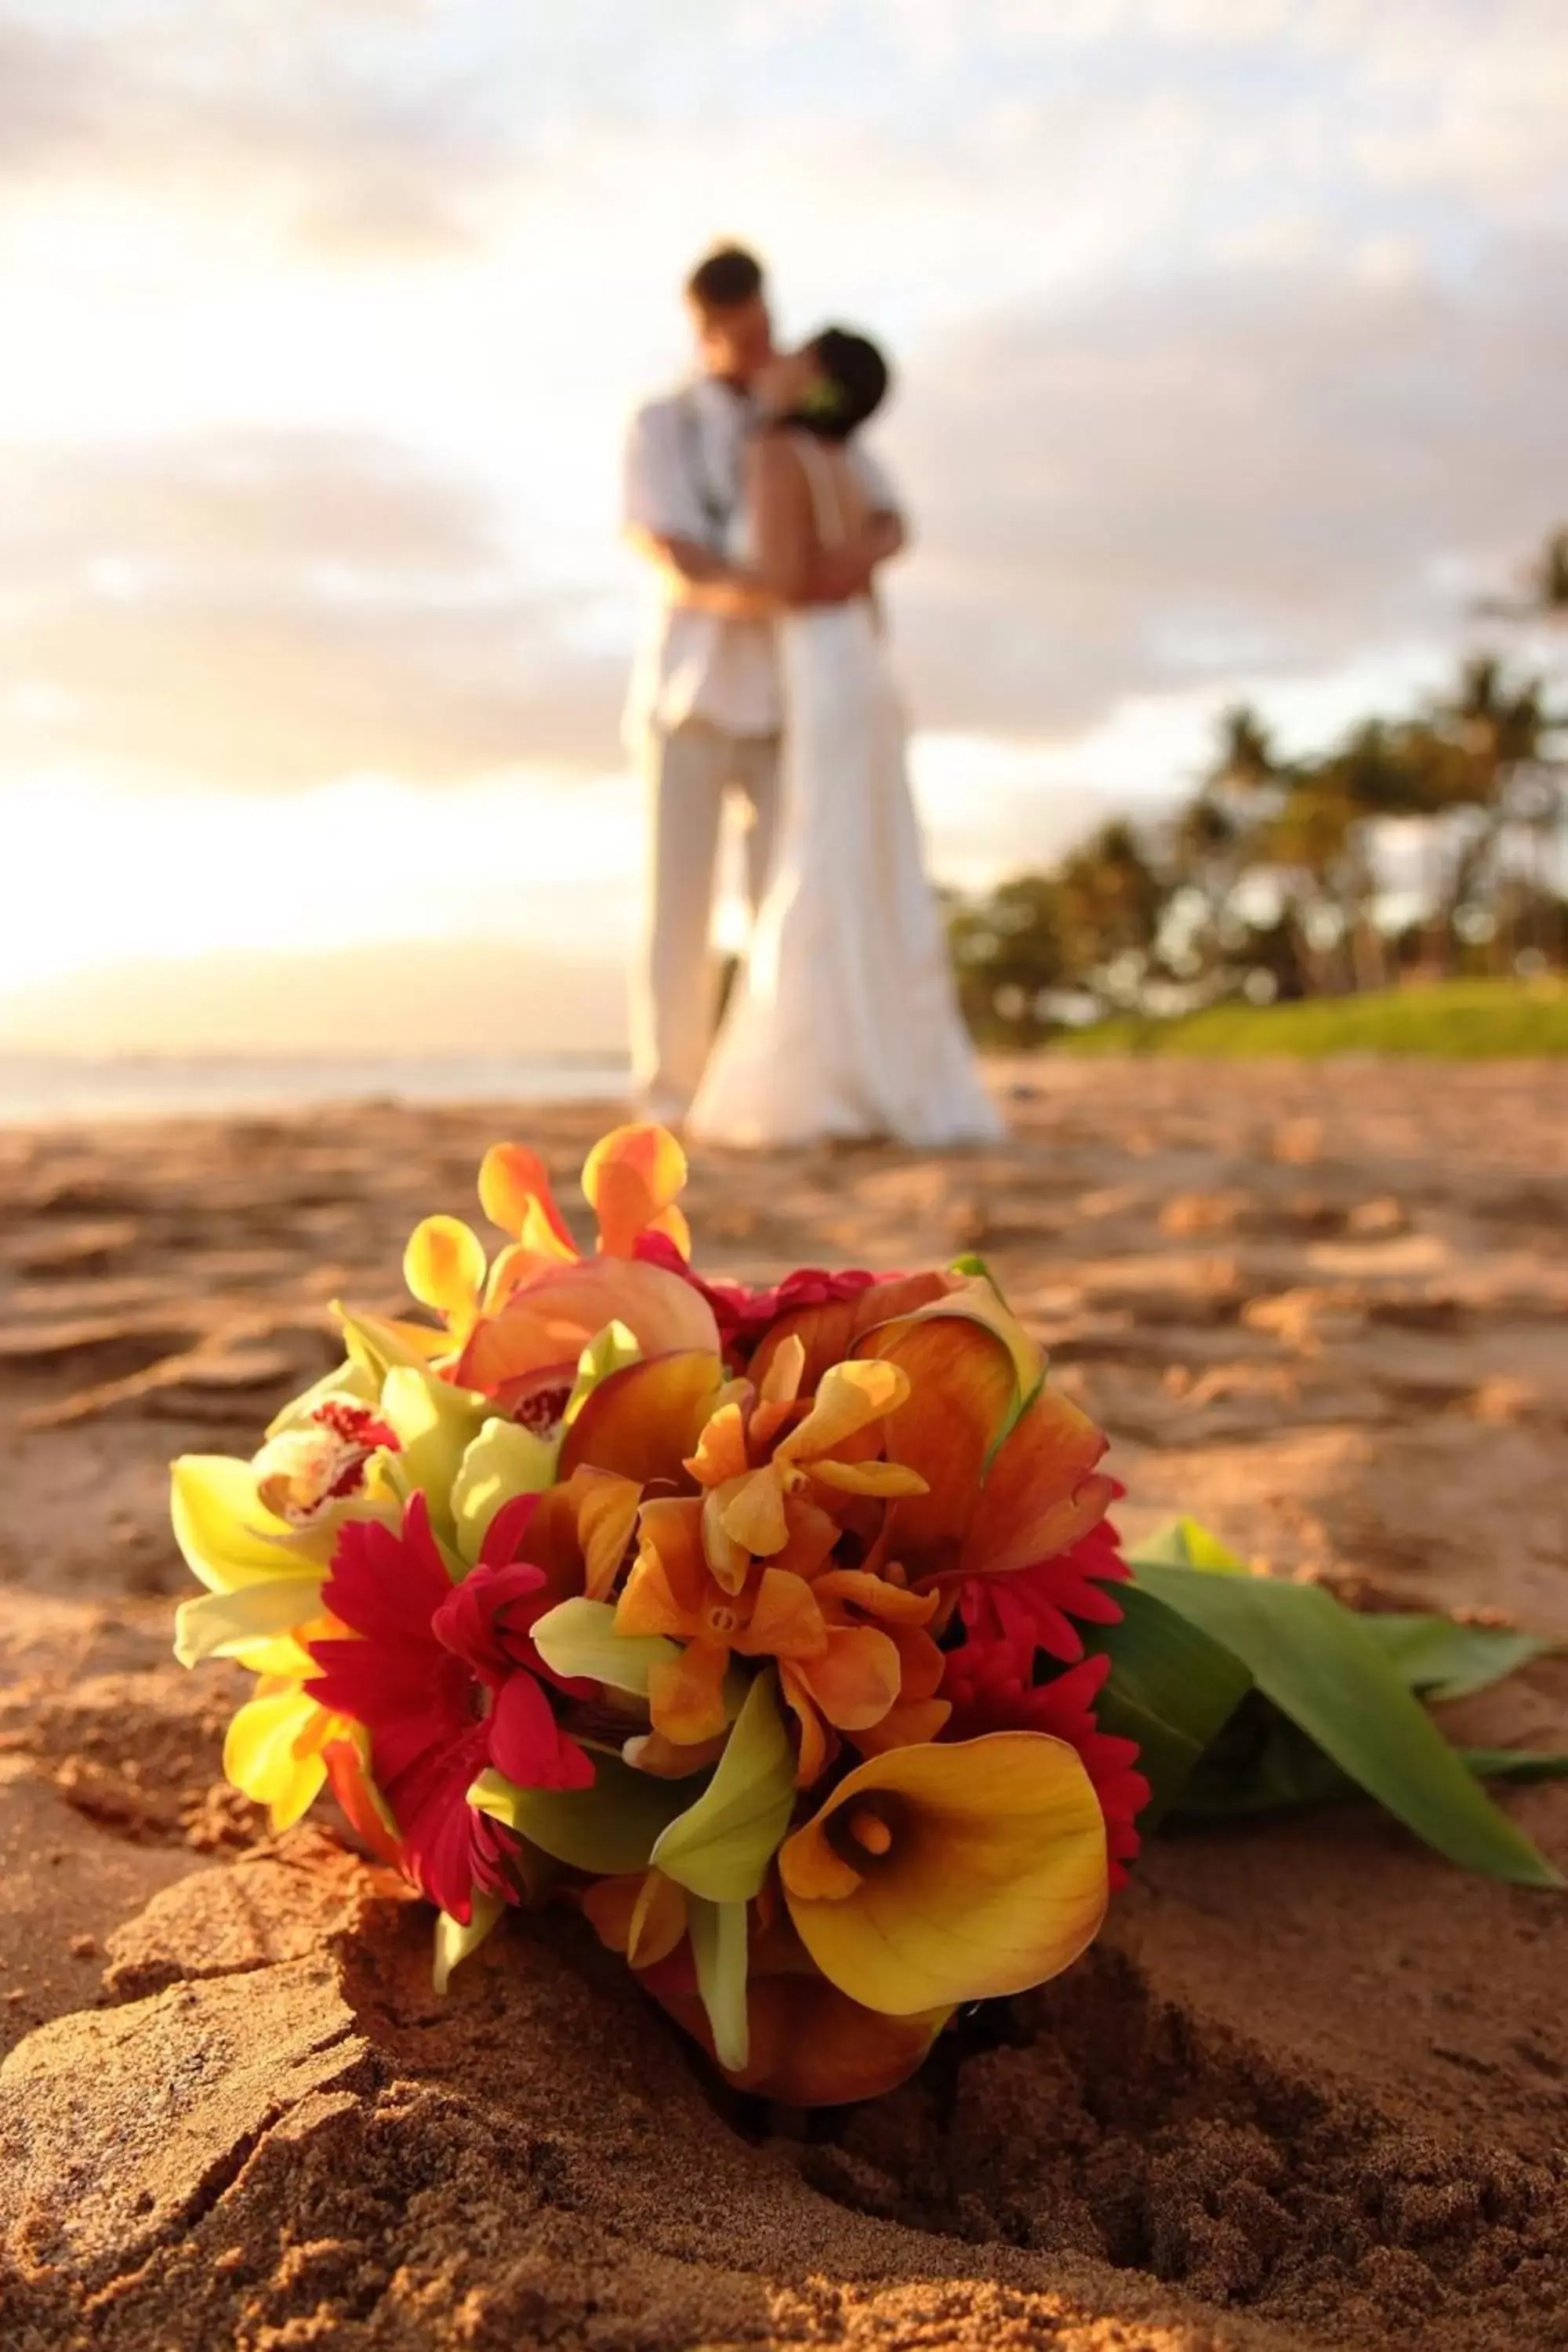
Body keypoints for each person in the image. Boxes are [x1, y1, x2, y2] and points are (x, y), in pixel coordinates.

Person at [684, 329, 1004, 1150]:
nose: (777, 358)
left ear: (815, 380)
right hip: (858, 659)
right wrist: (859, 557)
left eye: (796, 354)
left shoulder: (775, 452)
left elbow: (788, 582)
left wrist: (713, 591)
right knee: (870, 854)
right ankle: (896, 1069)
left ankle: (823, 1078)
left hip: (823, 664)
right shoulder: (849, 462)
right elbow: (890, 531)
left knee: (824, 854)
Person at [622, 244, 904, 1125]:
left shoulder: (808, 415)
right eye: (734, 336)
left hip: (791, 703)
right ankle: (669, 1094)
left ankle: (769, 1076)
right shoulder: (662, 425)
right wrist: (764, 592)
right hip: (693, 694)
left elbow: (885, 517)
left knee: (782, 898)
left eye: (762, 329)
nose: (753, 348)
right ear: (702, 333)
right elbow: (664, 550)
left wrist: (825, 577)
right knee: (677, 906)